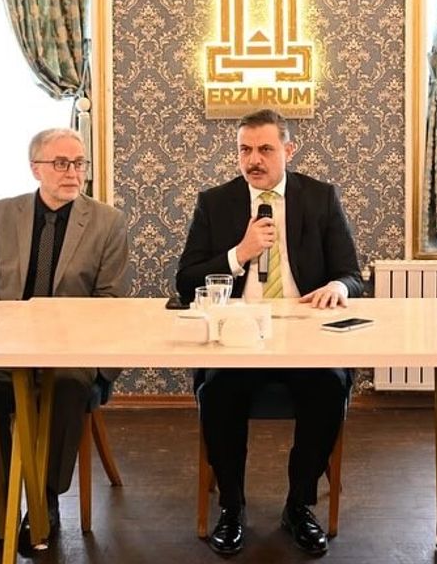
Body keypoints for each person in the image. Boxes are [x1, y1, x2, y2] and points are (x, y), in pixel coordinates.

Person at [176, 109, 363, 557]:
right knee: (218, 392)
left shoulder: (320, 198)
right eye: (245, 150)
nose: (253, 160)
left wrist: (338, 288)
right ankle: (232, 508)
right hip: (238, 339)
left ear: (288, 150)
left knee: (329, 388)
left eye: (264, 149)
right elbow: (185, 283)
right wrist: (238, 254)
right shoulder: (215, 202)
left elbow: (352, 275)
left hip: (306, 339)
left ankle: (299, 506)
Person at [0, 127, 128, 555]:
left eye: (79, 163)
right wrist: (12, 332)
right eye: (61, 163)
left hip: (72, 351)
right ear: (35, 168)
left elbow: (109, 301)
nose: (72, 172)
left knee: (68, 384)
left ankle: (44, 500)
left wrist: (58, 336)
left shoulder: (108, 222)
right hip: (7, 347)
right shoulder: (0, 215)